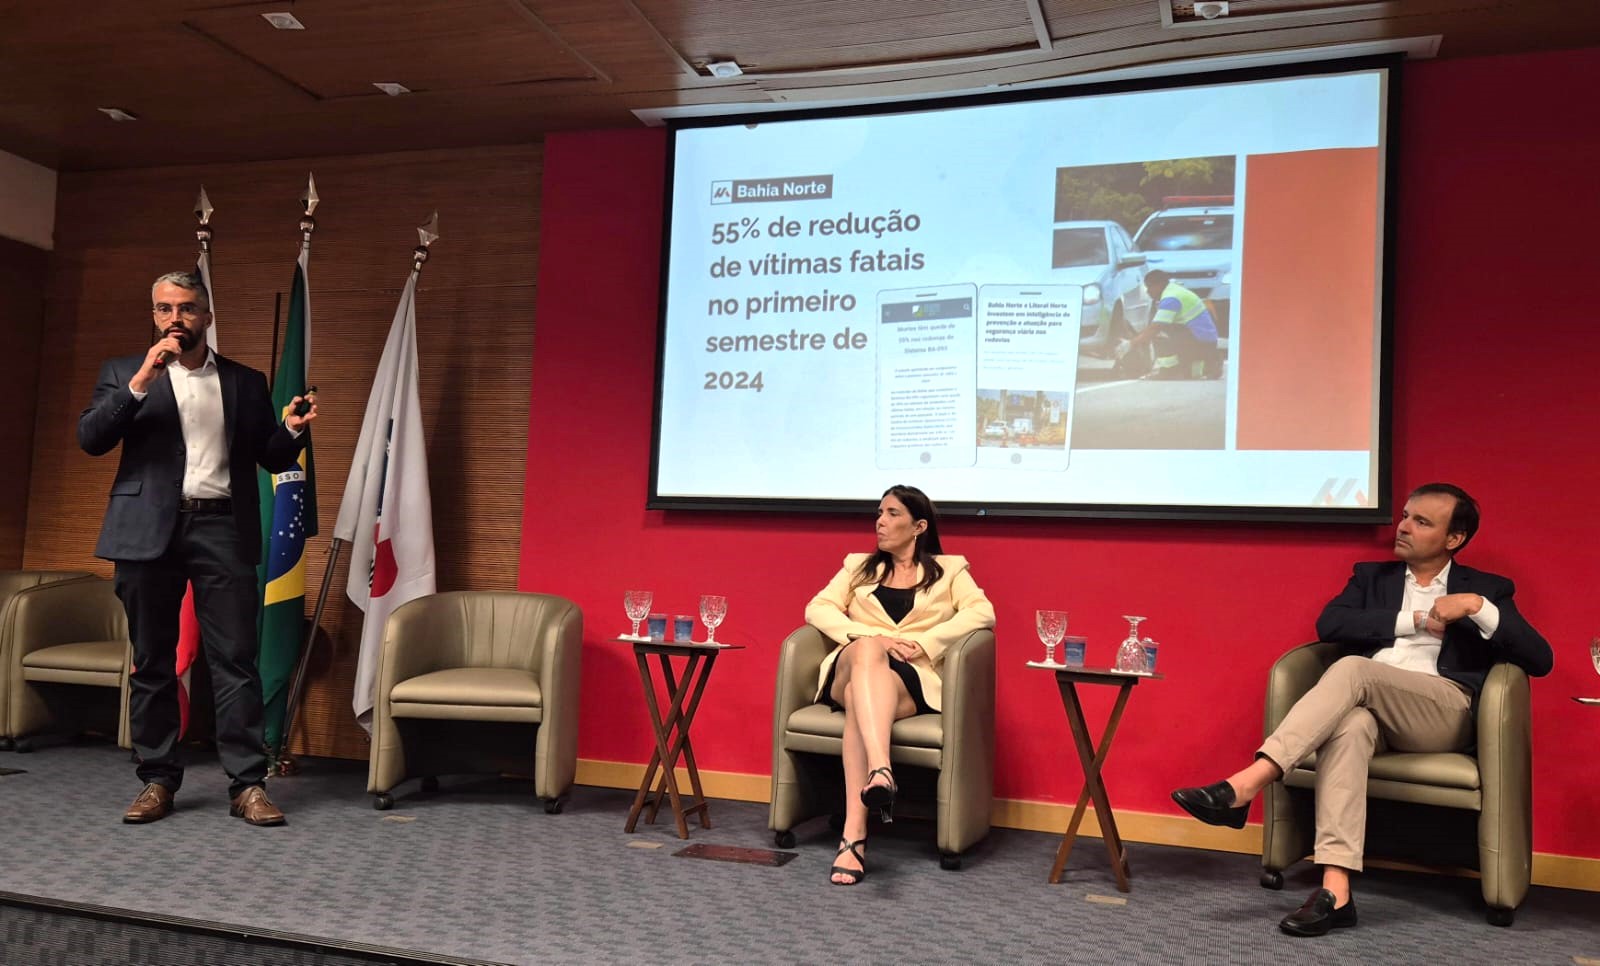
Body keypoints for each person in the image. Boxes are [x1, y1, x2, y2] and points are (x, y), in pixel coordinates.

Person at [1171, 482, 1551, 936]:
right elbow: (1331, 623)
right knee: (1349, 725)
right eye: (1406, 515)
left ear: (1455, 539)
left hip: (1443, 712)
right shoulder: (1373, 578)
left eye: (1421, 521)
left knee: (1355, 669)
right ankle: (1336, 890)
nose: (1404, 526)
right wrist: (1415, 619)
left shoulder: (1485, 588)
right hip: (1374, 707)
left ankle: (1248, 783)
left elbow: (1539, 659)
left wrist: (1476, 607)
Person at [77, 271, 318, 827]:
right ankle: (158, 780)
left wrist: (294, 429)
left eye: (186, 309)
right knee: (153, 661)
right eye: (164, 309)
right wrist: (141, 379)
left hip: (221, 530)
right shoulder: (123, 372)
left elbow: (273, 456)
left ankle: (248, 785)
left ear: (207, 318)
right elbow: (92, 439)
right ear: (155, 317)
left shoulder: (243, 381)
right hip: (144, 533)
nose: (174, 319)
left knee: (234, 661)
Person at [803, 484, 996, 885]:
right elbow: (817, 607)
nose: (880, 521)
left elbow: (982, 613)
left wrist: (924, 643)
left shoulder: (950, 571)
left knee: (862, 699)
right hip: (850, 666)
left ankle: (853, 838)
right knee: (867, 652)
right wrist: (873, 638)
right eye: (879, 513)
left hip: (906, 679)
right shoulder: (857, 567)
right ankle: (882, 769)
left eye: (892, 514)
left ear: (918, 526)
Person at [1118, 269, 1221, 379]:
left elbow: (1155, 328)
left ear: (1160, 284)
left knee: (1160, 333)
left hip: (1199, 341)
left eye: (1150, 287)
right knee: (1185, 373)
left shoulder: (1171, 299)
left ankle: (1168, 370)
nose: (1148, 292)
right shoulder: (1174, 290)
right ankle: (1208, 365)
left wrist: (1131, 344)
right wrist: (1136, 340)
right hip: (1203, 340)